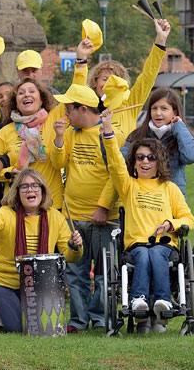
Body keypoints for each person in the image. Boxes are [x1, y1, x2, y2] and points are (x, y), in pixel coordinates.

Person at [102, 132, 194, 333]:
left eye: (151, 157)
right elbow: (116, 165)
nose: (145, 161)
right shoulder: (129, 186)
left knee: (154, 252)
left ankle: (163, 300)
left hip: (164, 245)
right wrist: (109, 134)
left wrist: (170, 225)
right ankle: (138, 300)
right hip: (136, 244)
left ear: (159, 161)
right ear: (134, 162)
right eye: (140, 157)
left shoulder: (170, 189)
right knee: (144, 254)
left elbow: (188, 219)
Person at [0, 168, 83, 333]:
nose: (30, 190)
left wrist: (74, 246)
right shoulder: (5, 214)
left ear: (42, 190)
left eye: (35, 185)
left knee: (40, 328)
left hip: (39, 286)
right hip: (4, 283)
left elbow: (70, 256)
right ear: (17, 192)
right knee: (16, 328)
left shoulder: (55, 217)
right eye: (24, 187)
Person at [54, 83, 120, 333]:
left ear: (83, 109)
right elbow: (58, 162)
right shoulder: (70, 132)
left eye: (68, 109)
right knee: (76, 272)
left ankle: (100, 317)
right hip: (73, 216)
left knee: (104, 273)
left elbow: (117, 174)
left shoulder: (107, 133)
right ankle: (78, 320)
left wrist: (103, 207)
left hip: (103, 219)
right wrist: (59, 138)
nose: (65, 114)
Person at [77, 18, 171, 138]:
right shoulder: (84, 108)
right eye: (105, 79)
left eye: (116, 81)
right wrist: (81, 58)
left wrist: (160, 40)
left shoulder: (130, 105)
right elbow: (77, 89)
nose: (109, 85)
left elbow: (148, 76)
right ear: (95, 82)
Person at [0, 79, 67, 213]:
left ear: (41, 99)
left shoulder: (53, 119)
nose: (26, 95)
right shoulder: (5, 132)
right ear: (16, 102)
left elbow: (76, 93)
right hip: (17, 204)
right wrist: (9, 172)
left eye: (32, 91)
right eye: (21, 93)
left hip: (51, 204)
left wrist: (80, 64)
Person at [105, 87, 194, 199]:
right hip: (142, 201)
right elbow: (117, 162)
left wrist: (179, 127)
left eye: (164, 108)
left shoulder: (180, 135)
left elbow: (191, 157)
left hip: (171, 202)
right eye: (154, 108)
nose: (158, 113)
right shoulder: (138, 135)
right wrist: (106, 133)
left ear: (174, 112)